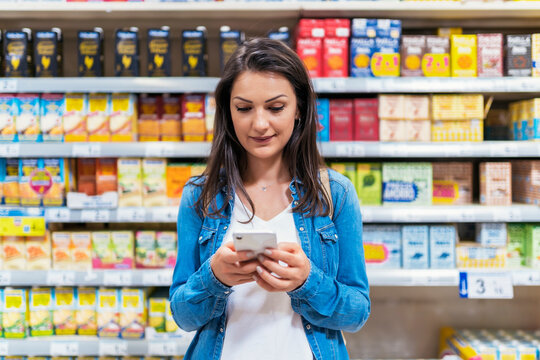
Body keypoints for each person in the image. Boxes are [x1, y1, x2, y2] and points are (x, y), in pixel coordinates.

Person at [169, 37, 370, 360]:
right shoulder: (200, 196)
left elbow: (357, 313)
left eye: (276, 107)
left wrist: (307, 281)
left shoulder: (336, 194)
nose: (259, 124)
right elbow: (182, 316)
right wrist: (214, 277)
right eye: (244, 108)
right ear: (228, 112)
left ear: (299, 110)